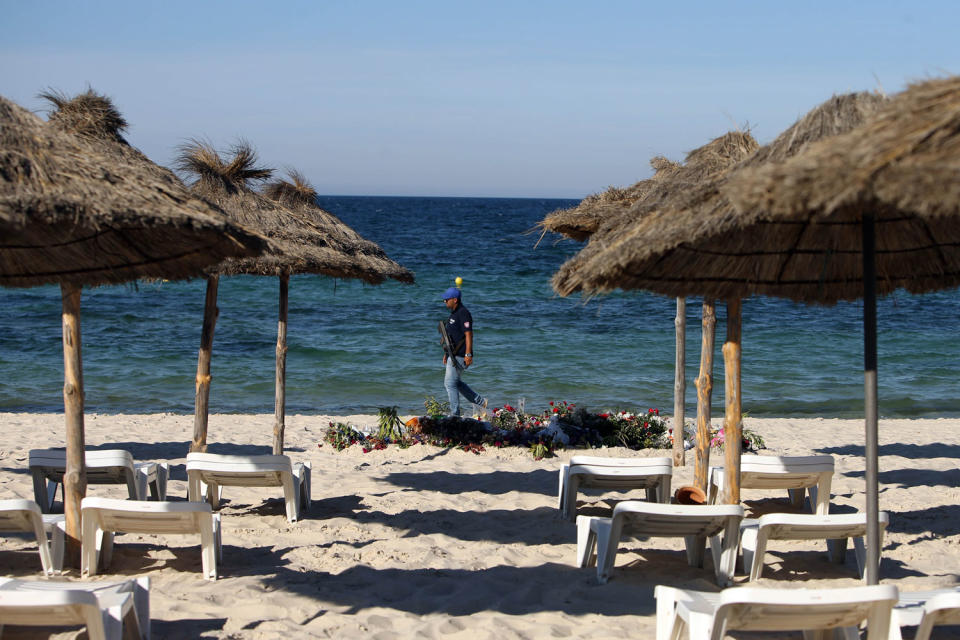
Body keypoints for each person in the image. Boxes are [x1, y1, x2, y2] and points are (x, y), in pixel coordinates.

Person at [441, 286, 488, 418]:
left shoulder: (463, 313)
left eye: (447, 299)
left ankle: (455, 415)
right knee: (455, 383)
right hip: (453, 353)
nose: (444, 301)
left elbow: (468, 334)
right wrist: (446, 354)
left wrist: (468, 354)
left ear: (455, 300)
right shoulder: (453, 314)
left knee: (450, 383)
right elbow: (451, 336)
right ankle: (480, 401)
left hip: (461, 354)